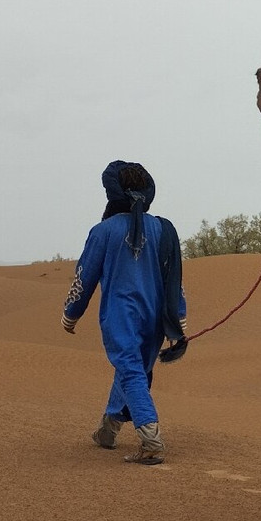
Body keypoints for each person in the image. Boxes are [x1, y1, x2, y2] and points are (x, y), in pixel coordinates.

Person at [62, 160, 187, 465]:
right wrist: (179, 316)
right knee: (134, 369)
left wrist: (71, 313)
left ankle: (150, 439)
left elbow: (85, 275)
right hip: (156, 316)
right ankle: (108, 429)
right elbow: (175, 279)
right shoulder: (163, 229)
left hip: (121, 315)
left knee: (131, 370)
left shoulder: (103, 231)